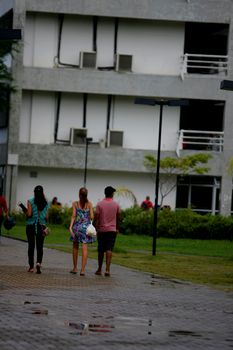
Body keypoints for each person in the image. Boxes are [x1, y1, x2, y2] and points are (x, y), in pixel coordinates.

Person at [94, 186, 120, 277]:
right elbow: (118, 217)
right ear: (112, 194)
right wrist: (117, 228)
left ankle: (99, 269)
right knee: (109, 249)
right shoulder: (116, 204)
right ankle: (108, 270)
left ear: (105, 193)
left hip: (101, 230)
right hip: (112, 230)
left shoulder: (99, 204)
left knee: (101, 250)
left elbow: (96, 217)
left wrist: (94, 227)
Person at [69, 187, 95, 276]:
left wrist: (70, 227)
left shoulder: (75, 204)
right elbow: (92, 216)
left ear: (79, 194)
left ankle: (75, 268)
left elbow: (73, 216)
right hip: (85, 229)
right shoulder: (89, 204)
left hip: (76, 227)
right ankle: (83, 270)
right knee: (84, 248)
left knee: (75, 247)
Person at [25, 185, 49, 274]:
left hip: (31, 225)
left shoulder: (30, 201)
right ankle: (38, 263)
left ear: (34, 192)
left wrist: (25, 211)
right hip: (41, 226)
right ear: (42, 192)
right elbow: (46, 217)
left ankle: (31, 267)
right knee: (40, 246)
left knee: (31, 246)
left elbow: (29, 214)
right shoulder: (46, 203)